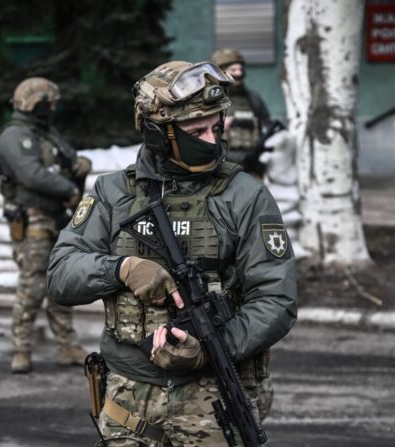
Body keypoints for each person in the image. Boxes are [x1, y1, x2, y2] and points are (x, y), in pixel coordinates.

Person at [47, 61, 297, 445]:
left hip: (214, 399)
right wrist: (122, 268)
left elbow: (276, 299)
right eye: (197, 131)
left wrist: (212, 349)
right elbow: (62, 274)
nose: (213, 140)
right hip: (130, 398)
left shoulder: (245, 196)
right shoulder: (114, 193)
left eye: (216, 127)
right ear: (158, 133)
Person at [0, 77, 91, 373]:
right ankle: (21, 349)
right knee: (33, 284)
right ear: (34, 104)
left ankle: (67, 346)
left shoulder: (47, 133)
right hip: (32, 217)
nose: (53, 108)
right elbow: (32, 174)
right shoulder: (14, 136)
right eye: (49, 103)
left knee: (61, 283)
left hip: (57, 218)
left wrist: (81, 164)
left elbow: (68, 159)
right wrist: (69, 190)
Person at [211, 48, 272, 178]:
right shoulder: (211, 99)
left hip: (252, 166)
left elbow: (268, 127)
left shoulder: (253, 98)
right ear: (221, 72)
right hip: (222, 168)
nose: (239, 73)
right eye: (233, 70)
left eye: (241, 69)